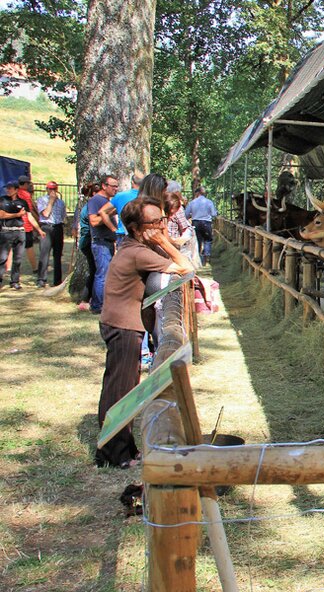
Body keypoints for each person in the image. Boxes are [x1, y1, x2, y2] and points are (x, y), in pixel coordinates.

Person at [95, 196, 192, 468]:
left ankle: (119, 447)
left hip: (120, 322)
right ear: (138, 228)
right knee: (121, 390)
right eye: (156, 222)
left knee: (118, 384)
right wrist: (163, 242)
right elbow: (187, 268)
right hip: (123, 325)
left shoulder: (133, 245)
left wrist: (160, 239)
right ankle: (115, 454)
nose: (163, 225)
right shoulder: (139, 252)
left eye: (163, 219)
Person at [87, 175, 120, 313]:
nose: (115, 189)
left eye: (117, 186)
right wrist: (107, 214)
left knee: (107, 274)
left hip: (108, 242)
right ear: (104, 186)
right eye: (113, 186)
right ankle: (97, 306)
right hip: (100, 243)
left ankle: (104, 303)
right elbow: (93, 221)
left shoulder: (107, 200)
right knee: (102, 274)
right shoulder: (96, 201)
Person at [1, 181, 42, 290]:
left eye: (10, 188)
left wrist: (38, 229)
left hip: (20, 231)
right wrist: (17, 214)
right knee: (3, 258)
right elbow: (2, 215)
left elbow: (29, 216)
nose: (8, 190)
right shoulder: (3, 200)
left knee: (18, 259)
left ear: (16, 189)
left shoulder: (22, 202)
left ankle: (14, 281)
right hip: (6, 231)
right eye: (7, 188)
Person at [35, 181, 67, 287]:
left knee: (57, 255)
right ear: (47, 189)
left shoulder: (61, 202)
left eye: (54, 189)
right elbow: (45, 214)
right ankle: (41, 279)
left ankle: (57, 280)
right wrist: (51, 201)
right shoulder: (42, 200)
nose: (52, 191)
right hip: (46, 226)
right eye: (50, 189)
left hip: (57, 227)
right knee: (44, 253)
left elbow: (63, 217)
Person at [74, 183, 100, 310]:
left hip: (88, 241)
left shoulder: (90, 206)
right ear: (95, 194)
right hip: (88, 242)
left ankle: (87, 298)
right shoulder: (91, 207)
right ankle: (86, 299)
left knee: (95, 270)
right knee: (95, 271)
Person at [185, 185, 217, 265]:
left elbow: (186, 214)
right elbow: (214, 214)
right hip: (206, 223)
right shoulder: (209, 202)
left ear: (198, 193)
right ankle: (207, 257)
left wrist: (192, 215)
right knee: (207, 240)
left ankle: (198, 258)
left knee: (197, 240)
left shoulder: (192, 202)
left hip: (196, 222)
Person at [111, 173, 142, 244]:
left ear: (132, 182)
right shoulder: (147, 197)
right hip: (140, 233)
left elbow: (102, 212)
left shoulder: (119, 196)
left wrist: (113, 229)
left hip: (123, 233)